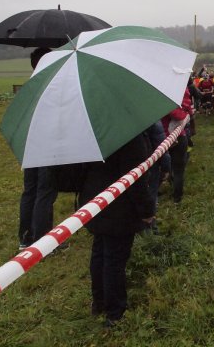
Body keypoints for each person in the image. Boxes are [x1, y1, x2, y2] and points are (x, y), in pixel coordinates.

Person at [79, 134, 155, 326]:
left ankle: (99, 303)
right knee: (114, 260)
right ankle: (115, 312)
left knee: (99, 253)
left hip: (95, 201)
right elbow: (135, 179)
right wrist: (147, 211)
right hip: (119, 209)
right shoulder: (130, 137)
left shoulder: (94, 132)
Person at [18, 47, 58, 250]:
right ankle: (42, 241)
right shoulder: (51, 85)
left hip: (29, 146)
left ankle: (25, 238)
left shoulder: (29, 86)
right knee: (45, 192)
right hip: (46, 146)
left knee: (30, 191)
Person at [161, 87, 193, 203]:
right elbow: (187, 112)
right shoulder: (178, 90)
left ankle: (177, 196)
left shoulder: (162, 97)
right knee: (172, 168)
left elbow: (181, 114)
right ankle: (176, 194)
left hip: (173, 137)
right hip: (168, 138)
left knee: (177, 168)